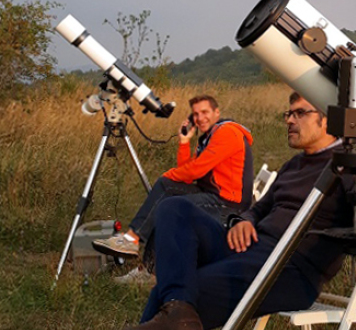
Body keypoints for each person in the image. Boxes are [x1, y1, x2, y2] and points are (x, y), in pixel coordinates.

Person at [54, 93, 356, 330]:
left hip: (291, 268)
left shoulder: (350, 167)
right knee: (174, 209)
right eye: (288, 113)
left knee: (170, 299)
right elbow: (259, 208)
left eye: (299, 113)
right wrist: (243, 221)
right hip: (251, 246)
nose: (289, 120)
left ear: (327, 119)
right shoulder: (295, 164)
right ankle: (178, 308)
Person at [92, 94, 254, 271]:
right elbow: (188, 174)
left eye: (205, 112)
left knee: (169, 204)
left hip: (228, 205)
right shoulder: (208, 137)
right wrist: (184, 142)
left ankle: (141, 255)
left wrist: (169, 175)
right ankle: (139, 253)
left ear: (217, 112)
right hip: (212, 195)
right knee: (166, 191)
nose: (200, 118)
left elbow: (195, 171)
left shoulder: (227, 133)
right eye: (196, 114)